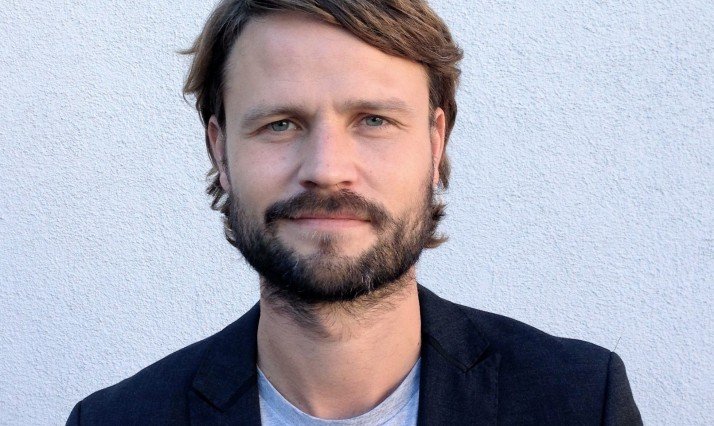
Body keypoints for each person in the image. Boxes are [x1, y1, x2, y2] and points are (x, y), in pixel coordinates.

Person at [66, 1, 642, 424]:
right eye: (280, 124)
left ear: (436, 142)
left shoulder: (580, 402)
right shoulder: (116, 420)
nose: (326, 168)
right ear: (220, 151)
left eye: (373, 120)